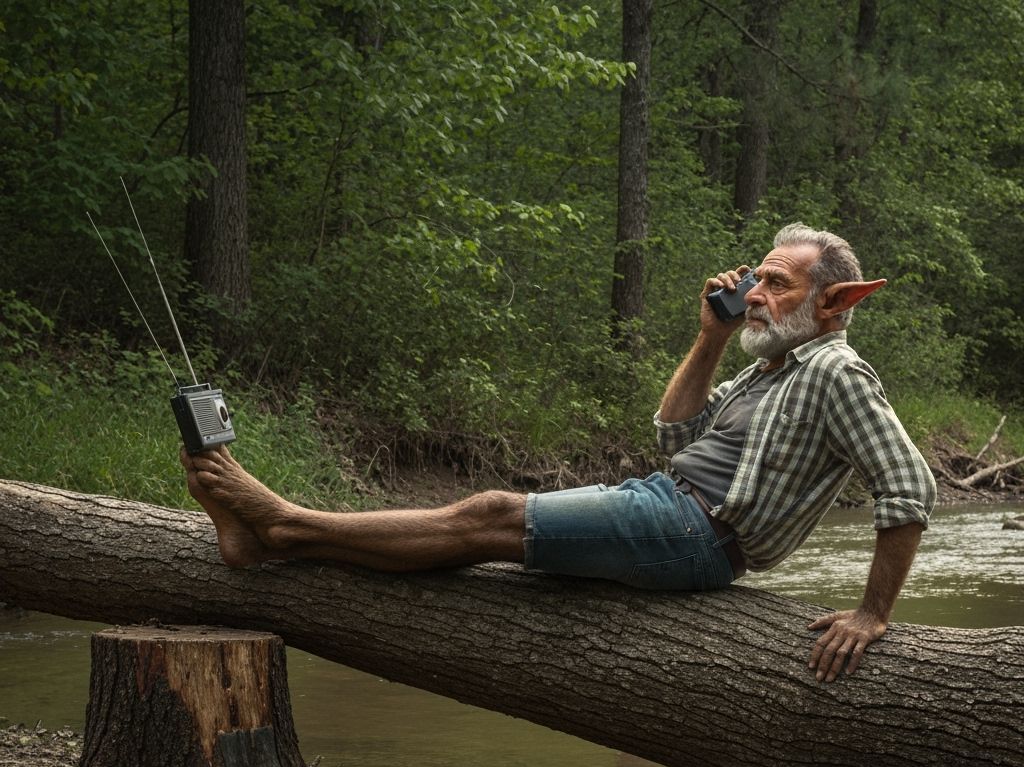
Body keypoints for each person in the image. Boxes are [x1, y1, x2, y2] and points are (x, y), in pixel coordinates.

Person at [182, 223, 935, 685]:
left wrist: (872, 614)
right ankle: (273, 539)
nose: (756, 293)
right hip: (665, 507)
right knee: (487, 530)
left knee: (489, 514)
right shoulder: (769, 368)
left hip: (695, 532)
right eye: (757, 279)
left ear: (835, 302)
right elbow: (674, 435)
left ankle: (280, 526)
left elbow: (907, 486)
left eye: (777, 283)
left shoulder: (836, 371)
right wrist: (710, 336)